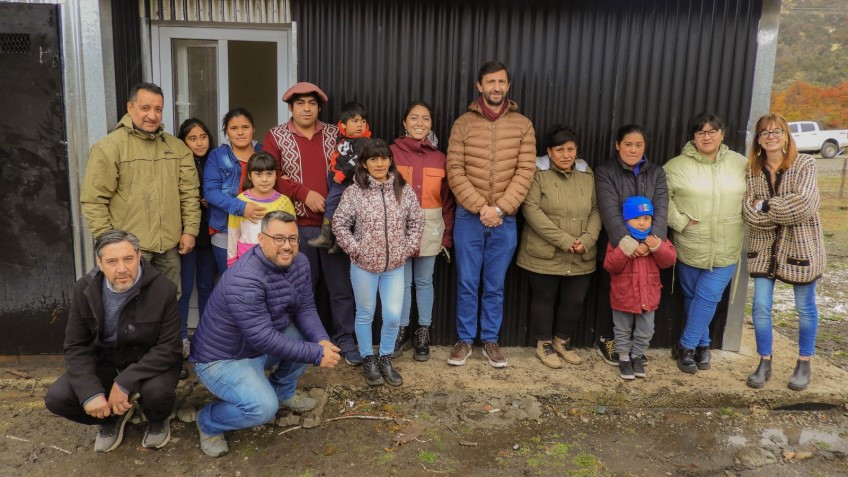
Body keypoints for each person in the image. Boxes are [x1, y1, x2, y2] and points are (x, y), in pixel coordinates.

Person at [190, 211, 341, 457]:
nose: (287, 246)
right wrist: (316, 354)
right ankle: (208, 422)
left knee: (305, 336)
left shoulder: (299, 262)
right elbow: (263, 338)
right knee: (262, 408)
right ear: (261, 239)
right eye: (278, 238)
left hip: (258, 345)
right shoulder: (246, 279)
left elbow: (305, 308)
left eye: (292, 239)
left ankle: (283, 392)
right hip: (223, 359)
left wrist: (321, 340)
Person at [44, 230, 182, 452]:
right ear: (99, 263)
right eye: (112, 261)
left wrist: (125, 381)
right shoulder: (84, 289)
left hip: (149, 361)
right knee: (57, 398)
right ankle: (111, 419)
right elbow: (76, 345)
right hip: (107, 361)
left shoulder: (163, 289)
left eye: (128, 259)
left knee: (157, 394)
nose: (122, 269)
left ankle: (157, 420)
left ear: (138, 256)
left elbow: (169, 347)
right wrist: (91, 392)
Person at [446, 61, 536, 368]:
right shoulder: (463, 124)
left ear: (508, 86)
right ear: (479, 86)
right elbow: (454, 169)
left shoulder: (523, 125)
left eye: (501, 82)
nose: (496, 87)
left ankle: (490, 340)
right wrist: (480, 207)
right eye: (490, 82)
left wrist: (499, 208)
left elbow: (526, 171)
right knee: (468, 282)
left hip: (505, 218)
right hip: (469, 217)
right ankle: (463, 339)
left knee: (495, 284)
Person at [263, 82, 361, 365]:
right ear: (291, 107)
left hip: (336, 227)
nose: (306, 108)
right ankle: (302, 345)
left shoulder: (335, 134)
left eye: (311, 103)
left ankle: (345, 339)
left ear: (319, 107)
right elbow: (271, 175)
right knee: (301, 289)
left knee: (340, 287)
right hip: (297, 227)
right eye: (300, 103)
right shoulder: (277, 136)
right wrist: (304, 193)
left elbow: (355, 164)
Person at [81, 82, 200, 294]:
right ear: (130, 107)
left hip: (170, 247)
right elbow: (93, 201)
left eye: (158, 109)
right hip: (128, 250)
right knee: (129, 306)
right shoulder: (109, 147)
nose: (152, 116)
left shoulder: (176, 148)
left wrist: (190, 230)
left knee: (168, 303)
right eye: (145, 108)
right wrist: (111, 242)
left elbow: (189, 194)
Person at [743, 113, 825, 391]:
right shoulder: (752, 171)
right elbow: (747, 212)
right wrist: (773, 209)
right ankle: (764, 360)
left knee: (804, 307)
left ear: (786, 136)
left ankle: (804, 362)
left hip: (800, 245)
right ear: (758, 140)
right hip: (764, 249)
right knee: (761, 306)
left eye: (776, 131)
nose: (771, 137)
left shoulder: (804, 164)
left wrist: (765, 206)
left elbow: (804, 204)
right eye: (764, 133)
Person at [333, 139, 424, 386]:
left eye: (384, 158)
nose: (380, 163)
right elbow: (339, 224)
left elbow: (417, 221)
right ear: (364, 163)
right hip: (363, 266)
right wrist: (356, 250)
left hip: (395, 266)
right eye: (373, 159)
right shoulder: (354, 192)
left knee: (393, 315)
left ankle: (385, 357)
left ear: (390, 160)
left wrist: (406, 249)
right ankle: (368, 359)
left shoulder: (403, 190)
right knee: (365, 314)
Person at [664, 113, 748, 374]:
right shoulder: (676, 166)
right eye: (701, 132)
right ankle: (704, 345)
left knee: (709, 295)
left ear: (722, 134)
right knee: (693, 296)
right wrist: (680, 221)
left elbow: (757, 193)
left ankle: (686, 345)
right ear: (694, 136)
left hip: (727, 244)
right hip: (690, 244)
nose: (707, 136)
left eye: (713, 131)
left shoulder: (741, 164)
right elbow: (660, 199)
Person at [516, 125, 601, 369]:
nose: (566, 155)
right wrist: (565, 241)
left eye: (571, 149)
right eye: (560, 149)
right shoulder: (537, 173)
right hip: (545, 252)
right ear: (549, 152)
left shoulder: (586, 174)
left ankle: (562, 340)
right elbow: (531, 209)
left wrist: (586, 240)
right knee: (544, 297)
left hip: (581, 252)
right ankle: (544, 344)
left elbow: (596, 209)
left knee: (574, 300)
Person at [594, 124, 669, 366]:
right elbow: (609, 211)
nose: (633, 149)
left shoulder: (656, 173)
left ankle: (637, 349)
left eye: (638, 145)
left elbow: (661, 209)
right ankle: (609, 340)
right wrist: (628, 243)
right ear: (617, 145)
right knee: (616, 294)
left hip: (649, 250)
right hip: (618, 246)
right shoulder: (606, 171)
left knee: (643, 297)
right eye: (628, 144)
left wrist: (651, 242)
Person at [389, 101, 455, 362]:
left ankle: (423, 331)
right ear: (404, 122)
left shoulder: (441, 158)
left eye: (425, 118)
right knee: (402, 283)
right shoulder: (391, 153)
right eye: (413, 118)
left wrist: (446, 236)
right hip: (398, 228)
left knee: (425, 281)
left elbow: (448, 201)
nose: (419, 123)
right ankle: (401, 330)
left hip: (431, 227)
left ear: (431, 124)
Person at [603, 197, 677, 380]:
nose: (642, 223)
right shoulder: (620, 239)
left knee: (646, 330)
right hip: (623, 295)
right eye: (637, 218)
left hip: (648, 295)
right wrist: (625, 249)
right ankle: (623, 358)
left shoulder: (656, 238)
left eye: (646, 218)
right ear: (626, 220)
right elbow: (610, 265)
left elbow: (669, 260)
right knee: (622, 330)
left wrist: (658, 247)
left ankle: (637, 356)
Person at [176, 118, 218, 368]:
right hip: (184, 234)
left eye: (203, 136)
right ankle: (182, 337)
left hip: (210, 234)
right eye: (192, 138)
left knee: (206, 287)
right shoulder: (180, 162)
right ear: (183, 141)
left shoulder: (215, 159)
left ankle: (204, 337)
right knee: (183, 290)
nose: (199, 142)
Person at [204, 107, 265, 272]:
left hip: (259, 228)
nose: (240, 132)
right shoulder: (217, 155)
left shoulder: (265, 151)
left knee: (259, 282)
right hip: (225, 229)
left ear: (253, 129)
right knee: (231, 283)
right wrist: (241, 208)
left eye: (245, 127)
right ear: (226, 132)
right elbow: (210, 192)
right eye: (234, 128)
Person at [308, 101, 372, 252]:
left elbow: (356, 160)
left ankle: (325, 236)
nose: (360, 125)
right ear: (343, 124)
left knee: (331, 204)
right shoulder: (344, 139)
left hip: (347, 181)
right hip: (336, 177)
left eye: (363, 121)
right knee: (340, 210)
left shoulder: (363, 142)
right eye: (354, 121)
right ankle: (339, 242)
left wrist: (343, 174)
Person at [227, 152, 296, 266]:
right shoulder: (240, 201)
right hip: (246, 260)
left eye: (269, 174)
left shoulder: (284, 202)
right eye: (258, 174)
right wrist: (232, 262)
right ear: (249, 176)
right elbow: (233, 233)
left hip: (276, 261)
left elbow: (292, 234)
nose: (264, 179)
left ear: (275, 175)